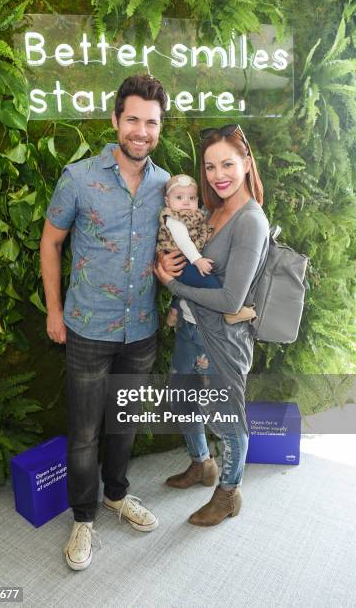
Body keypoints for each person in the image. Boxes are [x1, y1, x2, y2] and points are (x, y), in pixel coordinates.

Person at [40, 74, 170, 570]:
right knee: (84, 433)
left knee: (125, 425)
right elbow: (51, 243)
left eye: (151, 122)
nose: (141, 130)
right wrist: (54, 311)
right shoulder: (78, 178)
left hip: (141, 330)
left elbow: (173, 247)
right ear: (116, 120)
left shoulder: (166, 186)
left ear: (160, 128)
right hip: (88, 329)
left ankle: (117, 495)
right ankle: (84, 518)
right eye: (132, 119)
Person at [154, 124, 269, 527]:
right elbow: (188, 262)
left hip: (223, 337)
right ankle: (203, 465)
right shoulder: (212, 211)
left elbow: (230, 299)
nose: (218, 175)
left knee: (226, 416)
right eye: (209, 166)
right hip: (190, 328)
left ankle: (229, 493)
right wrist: (172, 273)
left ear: (246, 163)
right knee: (182, 398)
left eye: (227, 164)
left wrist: (172, 285)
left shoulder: (250, 221)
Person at [156, 173, 256, 328]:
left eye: (191, 198)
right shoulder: (173, 219)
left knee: (193, 282)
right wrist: (198, 260)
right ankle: (230, 313)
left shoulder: (198, 214)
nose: (186, 202)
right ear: (167, 201)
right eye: (179, 197)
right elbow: (184, 242)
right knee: (207, 279)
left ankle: (175, 311)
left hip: (186, 259)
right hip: (182, 260)